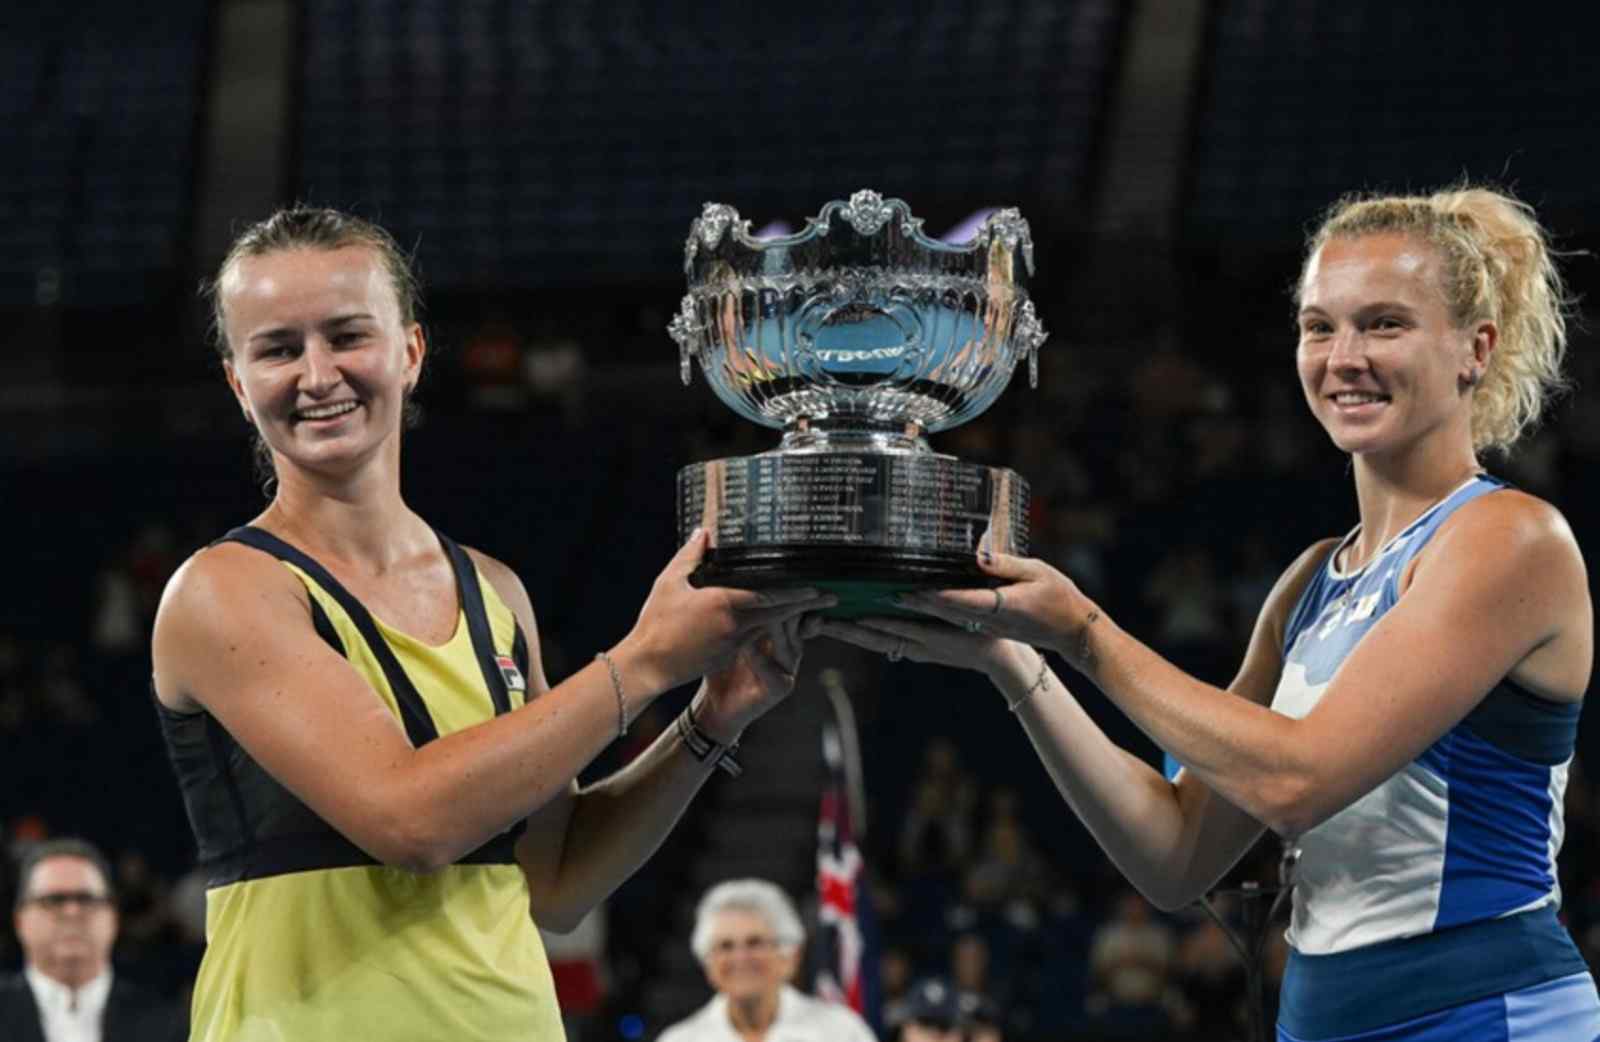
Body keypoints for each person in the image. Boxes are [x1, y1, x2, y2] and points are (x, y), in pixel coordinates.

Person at [820, 186, 1599, 1040]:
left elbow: (1296, 782)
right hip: (1317, 1016)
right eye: (1319, 325)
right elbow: (1176, 855)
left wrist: (1082, 630)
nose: (1344, 356)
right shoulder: (1310, 583)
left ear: (1474, 349)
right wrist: (1016, 658)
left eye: (1385, 324)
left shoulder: (1510, 537)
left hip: (1488, 1015)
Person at [150, 207, 834, 1042]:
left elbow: (555, 878)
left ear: (410, 350)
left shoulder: (495, 592)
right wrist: (646, 663)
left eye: (346, 335)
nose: (317, 373)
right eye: (278, 348)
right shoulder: (224, 591)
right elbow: (410, 821)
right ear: (236, 380)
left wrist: (708, 718)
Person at [2, 838, 186, 1042]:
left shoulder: (169, 1024)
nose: (72, 912)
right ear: (20, 921)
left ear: (114, 918)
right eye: (53, 900)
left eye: (87, 899)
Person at [657, 879, 876, 1042]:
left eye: (755, 943)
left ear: (790, 955)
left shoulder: (840, 1032)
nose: (740, 958)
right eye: (725, 946)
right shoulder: (679, 1040)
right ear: (707, 964)